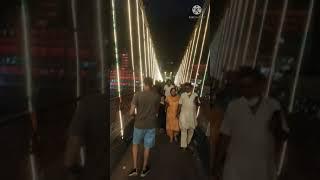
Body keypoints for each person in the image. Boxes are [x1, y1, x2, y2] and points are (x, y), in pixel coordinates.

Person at [213, 67, 289, 180]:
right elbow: (224, 137)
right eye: (243, 86)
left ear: (260, 86)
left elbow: (283, 135)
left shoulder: (273, 106)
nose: (247, 90)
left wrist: (276, 127)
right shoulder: (234, 106)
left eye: (251, 86)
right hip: (234, 170)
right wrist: (216, 164)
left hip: (262, 171)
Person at [64, 93, 107, 180]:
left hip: (96, 171)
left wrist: (70, 167)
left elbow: (74, 141)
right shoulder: (106, 100)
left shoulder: (88, 102)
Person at [128, 77, 161, 177]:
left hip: (139, 125)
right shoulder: (156, 96)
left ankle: (134, 168)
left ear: (144, 84)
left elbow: (131, 112)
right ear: (151, 85)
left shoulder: (137, 95)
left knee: (135, 144)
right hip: (150, 125)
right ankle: (144, 169)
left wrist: (135, 116)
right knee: (147, 147)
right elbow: (156, 112)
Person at [177, 83, 200, 150]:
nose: (187, 89)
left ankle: (187, 143)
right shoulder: (183, 95)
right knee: (183, 129)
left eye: (188, 88)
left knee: (191, 130)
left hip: (192, 115)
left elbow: (198, 104)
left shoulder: (195, 95)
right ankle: (183, 145)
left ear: (191, 88)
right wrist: (177, 113)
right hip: (183, 114)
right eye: (185, 88)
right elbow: (180, 105)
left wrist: (197, 101)